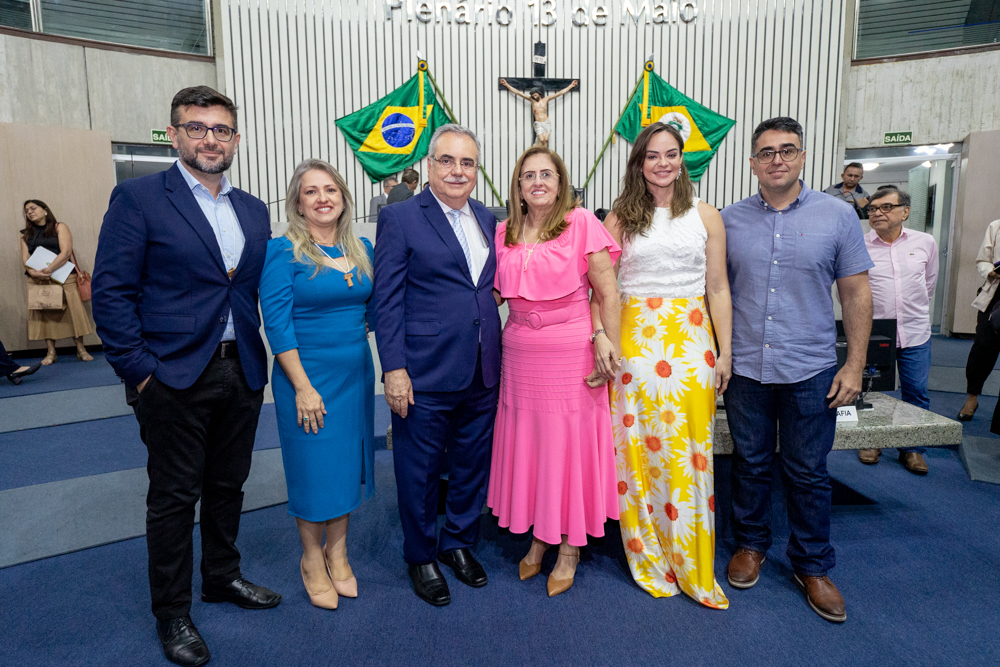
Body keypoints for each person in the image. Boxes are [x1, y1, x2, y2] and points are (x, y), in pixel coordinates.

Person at [92, 86, 280, 667]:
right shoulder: (139, 198)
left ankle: (222, 577)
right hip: (170, 377)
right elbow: (112, 292)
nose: (209, 139)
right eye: (196, 128)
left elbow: (244, 290)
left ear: (236, 140)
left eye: (221, 130)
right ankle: (172, 611)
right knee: (173, 498)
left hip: (241, 371)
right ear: (174, 134)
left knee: (228, 486)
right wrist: (141, 373)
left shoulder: (253, 209)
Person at [722, 117, 873, 624]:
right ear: (752, 162)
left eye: (787, 150)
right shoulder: (729, 220)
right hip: (746, 366)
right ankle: (751, 545)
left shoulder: (838, 216)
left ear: (804, 157)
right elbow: (713, 292)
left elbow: (855, 292)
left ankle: (812, 565)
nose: (777, 159)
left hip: (810, 368)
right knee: (750, 464)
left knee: (808, 473)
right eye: (766, 152)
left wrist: (855, 364)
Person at [594, 122, 732, 608]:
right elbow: (600, 290)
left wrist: (725, 351)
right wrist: (602, 339)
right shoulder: (617, 219)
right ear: (638, 163)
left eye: (671, 154)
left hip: (692, 346)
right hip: (633, 347)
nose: (663, 163)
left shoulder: (706, 215)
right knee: (636, 457)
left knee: (690, 457)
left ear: (682, 160)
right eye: (652, 156)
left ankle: (693, 564)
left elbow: (718, 288)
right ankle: (650, 558)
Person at [373, 124, 502, 607]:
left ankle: (459, 543)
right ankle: (421, 554)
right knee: (419, 468)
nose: (457, 171)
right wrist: (393, 368)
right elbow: (386, 300)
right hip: (423, 369)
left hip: (483, 365)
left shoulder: (489, 219)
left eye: (467, 163)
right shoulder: (402, 217)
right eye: (447, 160)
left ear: (476, 170)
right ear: (429, 165)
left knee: (471, 464)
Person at [487, 146, 621, 598]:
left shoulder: (581, 223)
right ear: (518, 187)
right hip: (521, 350)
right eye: (529, 176)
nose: (538, 181)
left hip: (570, 348)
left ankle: (569, 547)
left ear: (561, 182)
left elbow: (608, 293)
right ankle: (540, 534)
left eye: (547, 174)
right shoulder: (503, 232)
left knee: (568, 448)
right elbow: (494, 296)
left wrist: (607, 344)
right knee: (534, 445)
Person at [259, 159, 375, 610]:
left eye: (331, 189)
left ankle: (338, 552)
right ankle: (311, 557)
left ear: (343, 197)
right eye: (311, 191)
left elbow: (371, 308)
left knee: (346, 464)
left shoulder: (361, 247)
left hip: (355, 375)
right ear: (298, 202)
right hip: (306, 379)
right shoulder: (282, 251)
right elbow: (278, 325)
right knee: (313, 470)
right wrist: (303, 387)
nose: (323, 198)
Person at [856, 189, 937, 473]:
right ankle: (872, 440)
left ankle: (912, 448)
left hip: (915, 331)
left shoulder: (925, 242)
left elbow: (928, 284)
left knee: (916, 391)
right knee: (870, 391)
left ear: (905, 211)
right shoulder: (859, 245)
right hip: (874, 332)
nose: (877, 213)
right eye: (872, 209)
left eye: (886, 207)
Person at [20, 200, 95, 364]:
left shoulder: (59, 227)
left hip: (63, 275)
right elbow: (25, 258)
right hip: (37, 279)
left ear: (45, 210)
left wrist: (50, 269)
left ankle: (81, 349)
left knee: (73, 312)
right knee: (44, 313)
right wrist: (35, 273)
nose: (30, 212)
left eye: (33, 208)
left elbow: (66, 251)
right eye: (27, 211)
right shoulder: (25, 234)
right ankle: (51, 352)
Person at [958, 218, 1000, 422]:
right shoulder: (996, 226)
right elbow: (983, 259)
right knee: (983, 350)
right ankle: (972, 397)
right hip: (995, 296)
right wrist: (990, 271)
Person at [499, 78, 578, 147]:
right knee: (542, 140)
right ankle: (539, 151)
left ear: (539, 94)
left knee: (546, 140)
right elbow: (518, 93)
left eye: (536, 95)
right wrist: (506, 84)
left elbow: (560, 93)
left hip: (546, 122)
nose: (534, 96)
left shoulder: (546, 99)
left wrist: (571, 85)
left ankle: (545, 153)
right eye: (533, 95)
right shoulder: (532, 100)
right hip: (538, 123)